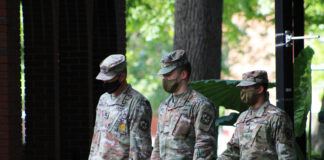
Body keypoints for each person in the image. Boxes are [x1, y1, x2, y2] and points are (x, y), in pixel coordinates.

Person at [151, 50, 218, 160]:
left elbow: (204, 147)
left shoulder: (200, 105)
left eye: (168, 74)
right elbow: (158, 144)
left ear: (183, 74)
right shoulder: (165, 106)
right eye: (163, 75)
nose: (165, 79)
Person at [217, 70, 296, 160]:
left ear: (260, 89)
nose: (243, 92)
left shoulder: (277, 117)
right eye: (242, 88)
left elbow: (286, 155)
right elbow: (232, 151)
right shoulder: (243, 117)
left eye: (246, 88)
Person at [88, 54, 152, 160]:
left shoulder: (138, 103)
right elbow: (96, 139)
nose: (104, 82)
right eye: (103, 79)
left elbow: (140, 150)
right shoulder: (103, 99)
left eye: (108, 79)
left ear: (122, 77)